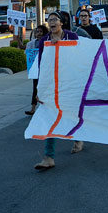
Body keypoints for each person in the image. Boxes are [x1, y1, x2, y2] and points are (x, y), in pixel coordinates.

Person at [34, 12, 81, 170]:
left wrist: (60, 45)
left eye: (55, 20)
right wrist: (39, 89)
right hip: (52, 84)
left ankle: (78, 137)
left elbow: (79, 58)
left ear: (62, 23)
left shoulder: (72, 36)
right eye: (49, 20)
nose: (52, 22)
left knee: (72, 114)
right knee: (50, 117)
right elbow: (42, 65)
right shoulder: (43, 41)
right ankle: (49, 157)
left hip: (70, 83)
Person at [24, 24, 49, 116]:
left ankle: (46, 108)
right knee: (35, 88)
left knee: (46, 88)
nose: (39, 33)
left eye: (41, 31)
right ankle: (33, 108)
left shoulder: (48, 42)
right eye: (37, 31)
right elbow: (27, 53)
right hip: (36, 70)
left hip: (46, 69)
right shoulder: (32, 43)